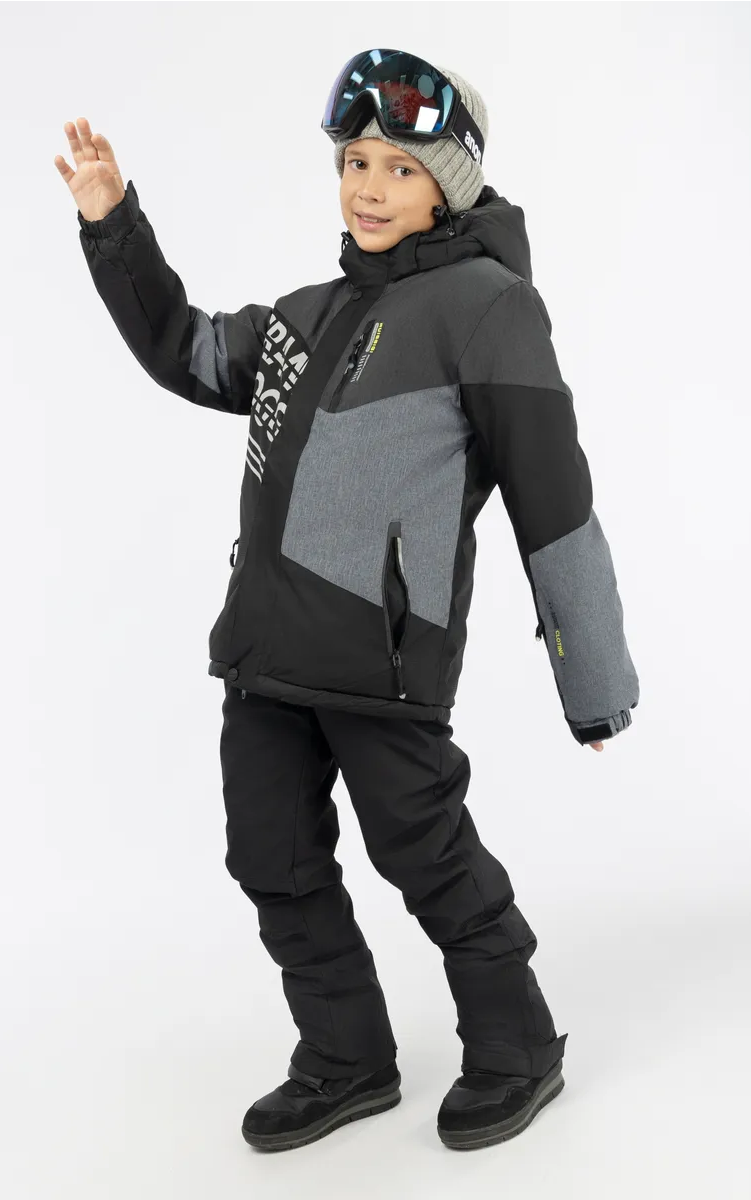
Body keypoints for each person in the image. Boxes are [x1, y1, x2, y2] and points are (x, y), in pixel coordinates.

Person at [55, 48, 639, 1153]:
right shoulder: (306, 315)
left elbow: (554, 498)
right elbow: (185, 349)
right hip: (266, 655)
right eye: (353, 163)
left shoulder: (489, 308)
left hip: (382, 666)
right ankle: (345, 1058)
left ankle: (518, 1046)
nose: (368, 188)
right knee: (270, 860)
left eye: (399, 168)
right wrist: (112, 224)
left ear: (447, 184)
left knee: (428, 859)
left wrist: (593, 681)